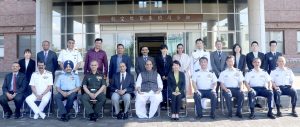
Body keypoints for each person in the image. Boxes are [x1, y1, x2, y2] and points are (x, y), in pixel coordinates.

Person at [156, 44, 172, 109]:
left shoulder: (169, 57)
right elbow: (158, 67)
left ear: (167, 50)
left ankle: (167, 102)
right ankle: (162, 103)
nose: (164, 50)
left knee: (168, 89)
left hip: (168, 76)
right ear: (161, 50)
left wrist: (168, 75)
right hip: (160, 76)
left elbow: (171, 67)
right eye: (163, 49)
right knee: (161, 89)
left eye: (165, 49)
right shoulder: (158, 57)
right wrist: (162, 75)